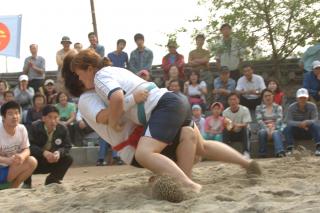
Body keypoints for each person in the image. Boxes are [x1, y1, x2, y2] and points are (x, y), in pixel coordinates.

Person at [63, 50, 261, 195]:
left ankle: (189, 185)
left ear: (88, 69)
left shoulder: (100, 77)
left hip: (160, 110)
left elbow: (116, 100)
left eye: (80, 72)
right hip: (170, 103)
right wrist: (132, 100)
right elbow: (114, 106)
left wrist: (117, 118)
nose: (80, 76)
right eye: (77, 75)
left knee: (145, 153)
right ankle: (245, 163)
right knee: (193, 138)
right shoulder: (107, 77)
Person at [24, 105, 73, 188]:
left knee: (68, 159)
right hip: (36, 161)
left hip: (52, 161)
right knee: (26, 156)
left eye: (56, 117)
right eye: (49, 117)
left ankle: (52, 180)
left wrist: (58, 153)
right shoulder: (34, 127)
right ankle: (27, 183)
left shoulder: (63, 129)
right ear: (43, 118)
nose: (53, 121)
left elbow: (67, 146)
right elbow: (29, 146)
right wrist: (43, 153)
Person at [0, 101, 37, 189]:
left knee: (32, 161)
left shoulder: (22, 129)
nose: (14, 116)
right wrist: (6, 160)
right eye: (10, 114)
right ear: (3, 117)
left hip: (10, 168)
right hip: (2, 166)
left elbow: (27, 149)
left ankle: (13, 188)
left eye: (17, 113)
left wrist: (21, 156)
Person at [283, 88, 320, 156]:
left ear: (307, 98)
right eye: (300, 98)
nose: (302, 99)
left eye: (304, 97)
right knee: (287, 129)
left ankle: (318, 148)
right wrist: (299, 124)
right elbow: (288, 121)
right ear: (297, 98)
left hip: (308, 130)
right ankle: (289, 149)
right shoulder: (291, 107)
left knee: (316, 126)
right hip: (296, 131)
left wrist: (306, 122)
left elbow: (315, 119)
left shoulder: (312, 106)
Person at [255, 89, 285, 157]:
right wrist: (267, 129)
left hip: (276, 127)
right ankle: (262, 153)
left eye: (269, 95)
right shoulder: (258, 108)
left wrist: (273, 128)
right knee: (262, 132)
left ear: (273, 96)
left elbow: (279, 119)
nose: (268, 97)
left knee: (276, 132)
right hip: (263, 127)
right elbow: (259, 120)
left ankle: (280, 152)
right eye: (265, 96)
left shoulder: (278, 107)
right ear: (262, 98)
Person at [223, 93, 252, 158]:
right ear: (228, 101)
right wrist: (233, 127)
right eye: (230, 100)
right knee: (225, 130)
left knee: (246, 128)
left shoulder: (245, 109)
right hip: (232, 132)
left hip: (242, 132)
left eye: (234, 99)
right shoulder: (225, 112)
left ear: (238, 100)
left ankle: (246, 152)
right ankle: (225, 153)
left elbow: (246, 123)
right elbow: (226, 124)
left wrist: (237, 125)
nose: (233, 101)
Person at [188, 34, 212, 105]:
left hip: (205, 72)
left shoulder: (206, 52)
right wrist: (201, 61)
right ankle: (194, 103)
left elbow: (205, 60)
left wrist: (195, 61)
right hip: (195, 73)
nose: (200, 41)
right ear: (196, 41)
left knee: (208, 86)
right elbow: (190, 63)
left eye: (202, 40)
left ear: (204, 41)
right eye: (198, 40)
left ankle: (208, 104)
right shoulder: (191, 52)